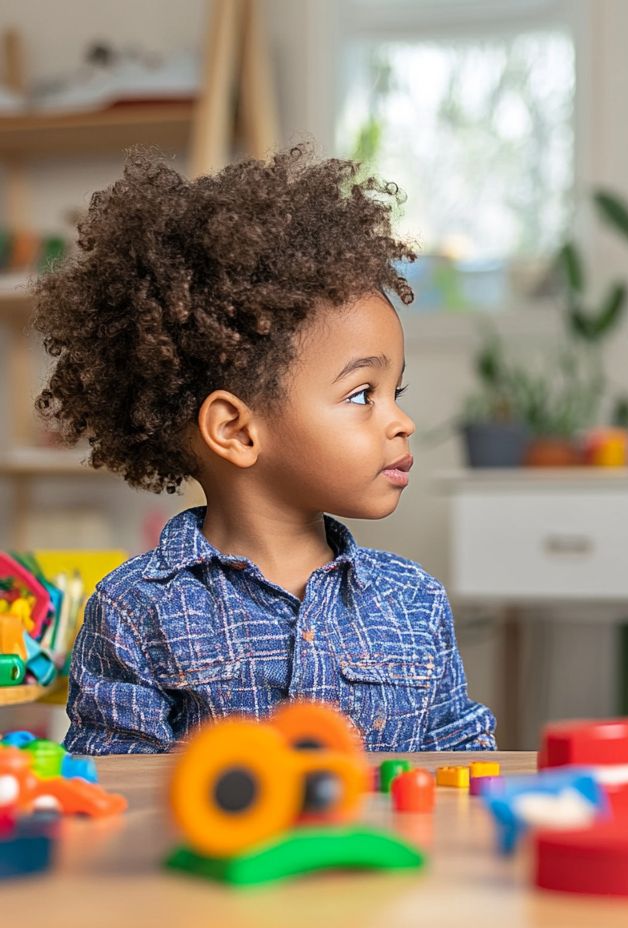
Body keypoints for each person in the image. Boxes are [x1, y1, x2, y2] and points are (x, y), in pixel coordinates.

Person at [35, 147, 496, 754]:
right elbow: (120, 801)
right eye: (363, 394)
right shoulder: (134, 610)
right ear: (236, 430)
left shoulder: (413, 600)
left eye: (395, 392)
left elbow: (463, 770)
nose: (402, 422)